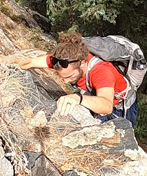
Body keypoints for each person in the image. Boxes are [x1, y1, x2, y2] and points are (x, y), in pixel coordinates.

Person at [9, 32, 138, 127]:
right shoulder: (63, 61)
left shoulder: (102, 72)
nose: (65, 82)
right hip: (95, 96)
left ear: (82, 63)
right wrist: (6, 61)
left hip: (120, 107)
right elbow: (30, 62)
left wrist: (78, 98)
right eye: (62, 77)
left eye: (70, 77)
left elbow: (106, 106)